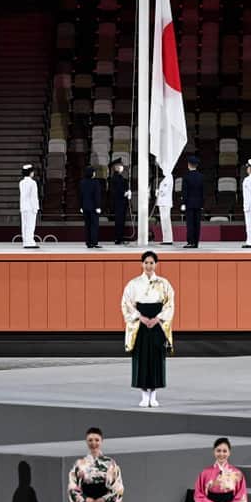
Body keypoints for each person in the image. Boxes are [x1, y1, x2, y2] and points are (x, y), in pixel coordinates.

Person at [121, 250, 175, 407]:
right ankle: (144, 395)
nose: (149, 266)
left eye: (152, 263)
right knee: (142, 358)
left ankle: (154, 395)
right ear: (141, 264)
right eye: (146, 262)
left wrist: (158, 318)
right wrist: (140, 317)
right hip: (141, 323)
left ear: (156, 264)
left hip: (158, 322)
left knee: (157, 358)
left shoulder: (164, 284)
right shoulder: (134, 283)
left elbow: (170, 304)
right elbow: (126, 303)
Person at [180, 154, 204, 248]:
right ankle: (196, 242)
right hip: (198, 203)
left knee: (190, 223)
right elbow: (203, 191)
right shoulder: (201, 176)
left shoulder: (186, 177)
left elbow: (184, 191)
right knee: (197, 223)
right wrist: (202, 203)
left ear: (189, 164)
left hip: (189, 203)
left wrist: (183, 203)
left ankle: (191, 242)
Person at [79, 166, 102, 249]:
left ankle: (88, 243)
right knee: (94, 225)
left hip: (85, 207)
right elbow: (97, 196)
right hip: (93, 208)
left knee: (87, 225)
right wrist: (98, 206)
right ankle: (94, 242)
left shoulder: (82, 182)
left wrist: (81, 206)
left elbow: (80, 195)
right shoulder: (95, 182)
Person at [108, 158, 130, 245]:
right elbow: (117, 191)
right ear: (116, 167)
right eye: (120, 166)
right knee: (119, 221)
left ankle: (119, 237)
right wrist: (125, 193)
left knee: (121, 221)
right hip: (119, 202)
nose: (122, 167)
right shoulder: (116, 178)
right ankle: (118, 238)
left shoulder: (119, 177)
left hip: (120, 202)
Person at [19, 163, 40, 248]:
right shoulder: (32, 183)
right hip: (30, 207)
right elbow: (33, 196)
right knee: (30, 225)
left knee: (24, 225)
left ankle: (25, 241)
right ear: (30, 172)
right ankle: (30, 242)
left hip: (23, 207)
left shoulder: (21, 182)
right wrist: (36, 207)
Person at [155, 169, 175, 245]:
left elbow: (164, 192)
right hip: (163, 202)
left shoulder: (168, 177)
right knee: (164, 221)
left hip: (165, 203)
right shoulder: (167, 178)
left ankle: (168, 239)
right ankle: (166, 239)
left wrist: (158, 192)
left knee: (166, 221)